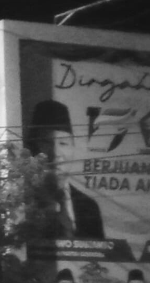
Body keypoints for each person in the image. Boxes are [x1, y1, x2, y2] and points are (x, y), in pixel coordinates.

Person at [25, 100, 106, 240]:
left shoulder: (88, 207)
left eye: (63, 143)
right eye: (47, 143)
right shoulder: (22, 201)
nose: (56, 153)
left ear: (73, 147)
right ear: (32, 148)